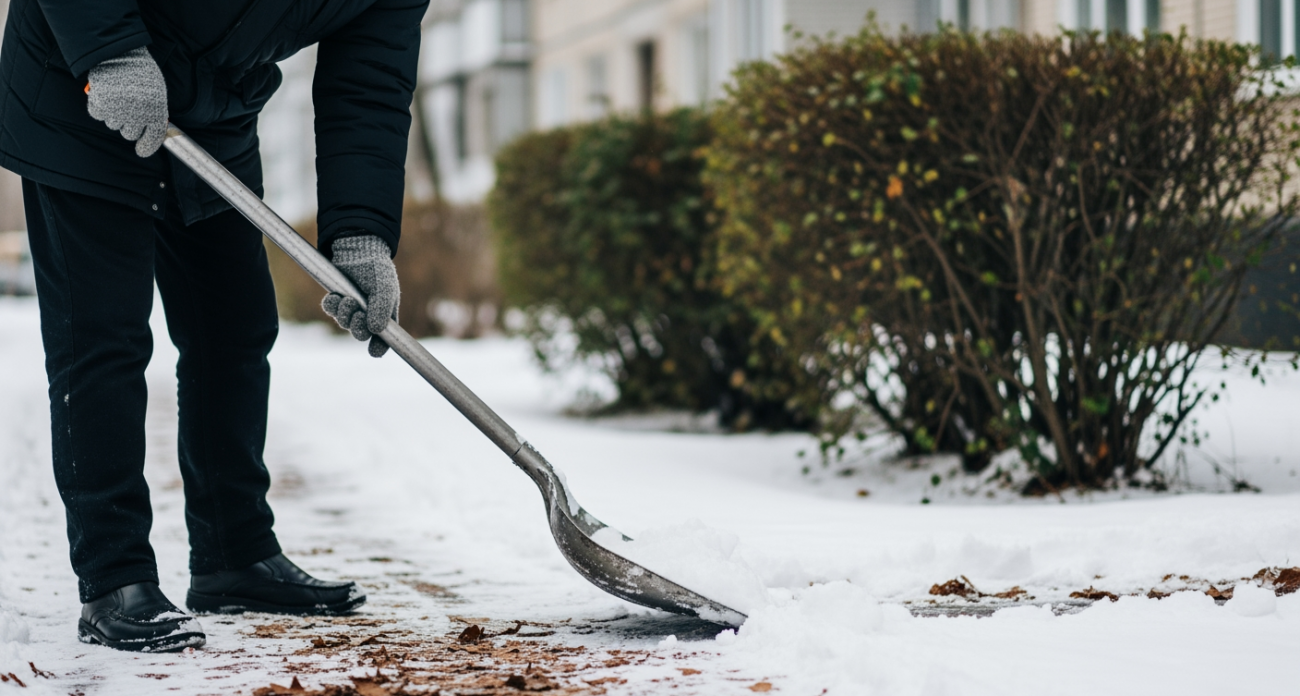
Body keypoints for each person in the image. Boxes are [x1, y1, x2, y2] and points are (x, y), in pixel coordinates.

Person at [0, 0, 427, 652]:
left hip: (213, 111)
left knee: (234, 329)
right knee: (102, 335)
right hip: (78, 84)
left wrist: (361, 235)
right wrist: (107, 50)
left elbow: (368, 86)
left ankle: (235, 556)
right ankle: (115, 578)